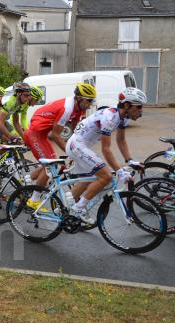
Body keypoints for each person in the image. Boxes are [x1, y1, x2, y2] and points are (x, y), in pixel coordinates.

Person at [64, 87, 146, 222]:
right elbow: (106, 149)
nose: (140, 111)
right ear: (126, 105)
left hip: (81, 146)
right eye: (138, 107)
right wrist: (119, 171)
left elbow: (121, 140)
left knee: (90, 178)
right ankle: (79, 208)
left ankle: (62, 209)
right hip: (76, 145)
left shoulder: (123, 117)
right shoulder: (110, 117)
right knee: (106, 176)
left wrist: (129, 160)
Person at [22, 83, 96, 207]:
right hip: (35, 134)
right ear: (79, 98)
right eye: (88, 101)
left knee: (54, 163)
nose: (90, 104)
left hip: (43, 134)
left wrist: (81, 146)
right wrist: (72, 152)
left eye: (92, 101)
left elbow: (75, 131)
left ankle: (27, 180)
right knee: (51, 168)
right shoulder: (67, 109)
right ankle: (33, 201)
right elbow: (55, 135)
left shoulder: (79, 108)